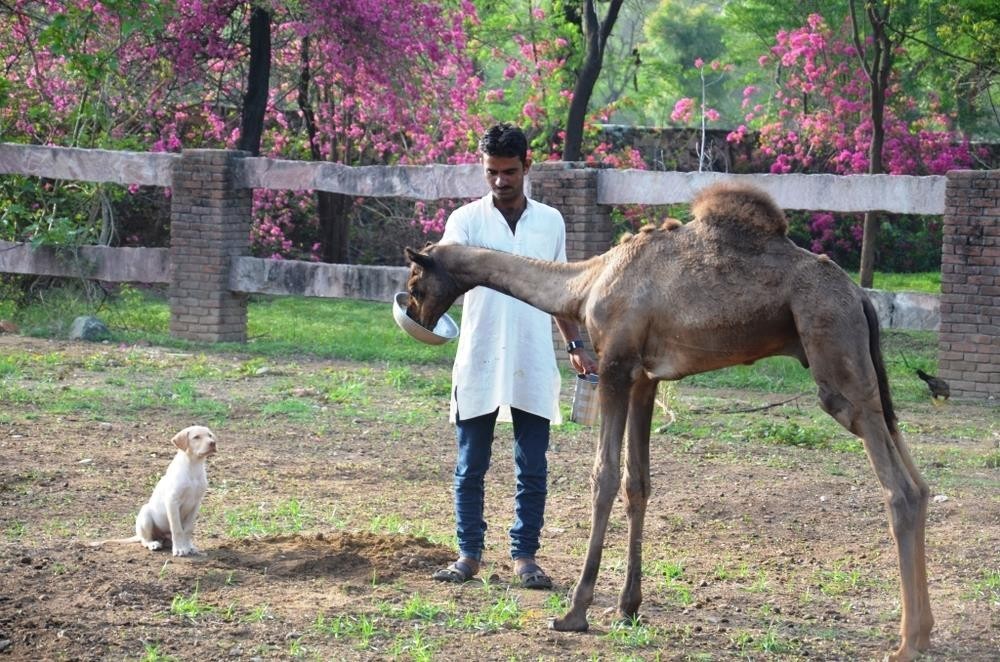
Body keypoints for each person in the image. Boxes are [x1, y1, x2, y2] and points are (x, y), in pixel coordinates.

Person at [431, 123, 598, 589]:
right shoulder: (464, 222)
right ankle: (468, 555)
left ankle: (526, 557)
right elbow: (440, 273)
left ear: (527, 165)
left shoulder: (550, 222)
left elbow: (561, 292)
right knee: (471, 465)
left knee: (533, 464)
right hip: (480, 354)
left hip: (531, 354)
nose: (500, 181)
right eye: (491, 173)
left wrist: (576, 345)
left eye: (509, 171)